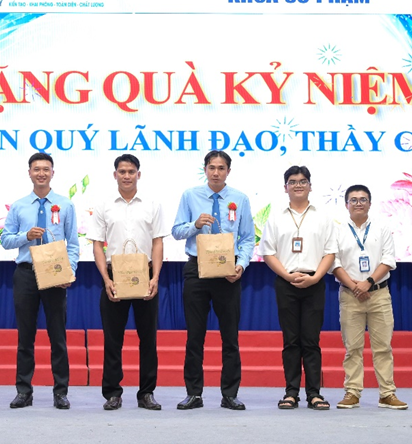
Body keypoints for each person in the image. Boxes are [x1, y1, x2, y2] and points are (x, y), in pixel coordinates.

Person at [171, 150, 254, 411]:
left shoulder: (240, 199)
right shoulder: (190, 196)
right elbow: (176, 231)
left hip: (228, 271)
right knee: (195, 336)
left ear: (228, 171)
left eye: (221, 168)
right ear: (205, 169)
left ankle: (230, 394)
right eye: (211, 167)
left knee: (230, 337)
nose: (216, 173)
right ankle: (194, 393)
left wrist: (241, 265)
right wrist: (195, 225)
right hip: (197, 269)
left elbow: (247, 238)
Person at [87, 154, 167, 411]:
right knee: (113, 340)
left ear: (138, 175)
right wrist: (106, 279)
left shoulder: (152, 204)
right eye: (122, 171)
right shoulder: (104, 205)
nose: (127, 176)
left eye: (131, 171)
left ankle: (147, 393)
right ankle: (112, 393)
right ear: (115, 175)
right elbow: (97, 245)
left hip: (146, 275)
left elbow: (157, 242)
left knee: (148, 339)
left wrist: (155, 278)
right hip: (114, 276)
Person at [1, 153, 79, 410]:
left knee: (58, 337)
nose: (41, 173)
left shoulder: (65, 205)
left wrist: (70, 271)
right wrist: (25, 236)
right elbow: (5, 240)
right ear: (30, 173)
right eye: (37, 169)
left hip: (55, 273)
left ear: (53, 173)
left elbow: (73, 244)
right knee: (25, 337)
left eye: (46, 169)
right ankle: (24, 391)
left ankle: (61, 392)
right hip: (26, 273)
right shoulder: (19, 206)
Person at [258, 165, 337, 411]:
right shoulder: (276, 217)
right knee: (291, 341)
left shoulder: (323, 217)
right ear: (286, 188)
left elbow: (330, 252)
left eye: (303, 181)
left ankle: (314, 394)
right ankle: (291, 392)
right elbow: (268, 252)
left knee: (311, 341)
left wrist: (315, 278)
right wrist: (287, 276)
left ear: (310, 186)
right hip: (286, 283)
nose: (298, 185)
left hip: (314, 282)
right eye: (293, 182)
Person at [333, 185, 408, 410]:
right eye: (354, 200)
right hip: (350, 295)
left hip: (379, 294)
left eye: (363, 199)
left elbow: (388, 259)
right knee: (353, 348)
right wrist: (354, 286)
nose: (358, 203)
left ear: (370, 203)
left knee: (383, 347)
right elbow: (334, 263)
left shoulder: (382, 227)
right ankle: (352, 392)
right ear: (346, 204)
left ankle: (387, 394)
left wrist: (368, 282)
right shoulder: (336, 230)